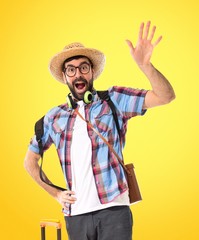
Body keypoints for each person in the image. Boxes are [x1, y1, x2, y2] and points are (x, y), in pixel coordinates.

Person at [24, 21, 175, 240]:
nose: (78, 75)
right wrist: (56, 193)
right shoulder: (53, 117)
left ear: (92, 71)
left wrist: (146, 66)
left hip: (114, 211)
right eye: (71, 70)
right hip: (76, 216)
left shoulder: (114, 99)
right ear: (65, 77)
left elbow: (165, 96)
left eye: (84, 68)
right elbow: (29, 161)